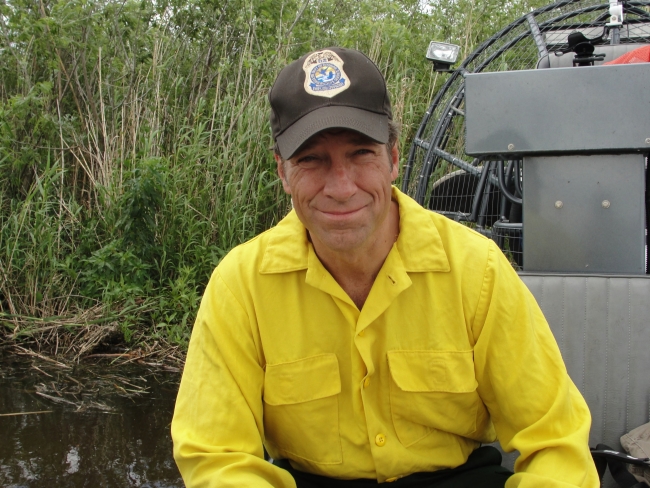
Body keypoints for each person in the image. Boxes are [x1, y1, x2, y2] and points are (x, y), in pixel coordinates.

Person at [171, 47, 599, 487]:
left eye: (361, 153)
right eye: (311, 159)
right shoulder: (240, 286)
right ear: (282, 172)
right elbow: (218, 458)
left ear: (394, 158)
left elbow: (556, 444)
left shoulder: (478, 270)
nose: (341, 187)